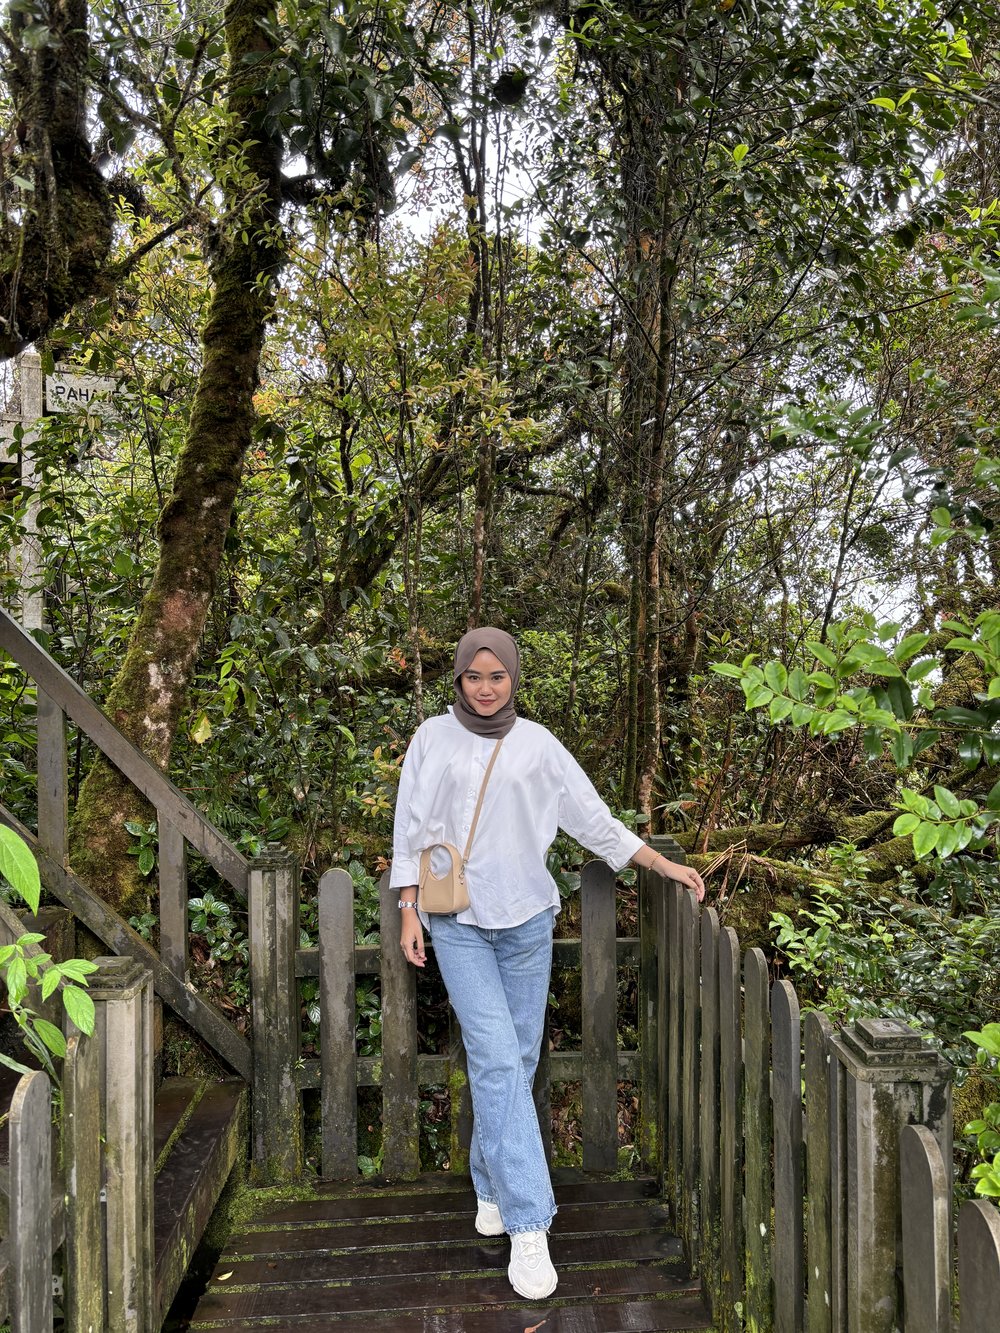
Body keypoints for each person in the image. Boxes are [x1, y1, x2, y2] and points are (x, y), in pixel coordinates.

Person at [391, 627, 705, 1301]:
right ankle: (530, 1225)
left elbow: (594, 820)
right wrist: (408, 907)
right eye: (474, 675)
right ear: (458, 677)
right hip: (458, 922)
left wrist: (660, 863)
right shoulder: (431, 739)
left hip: (529, 922)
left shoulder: (537, 744)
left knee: (515, 1062)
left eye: (497, 675)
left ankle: (488, 1182)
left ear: (514, 677)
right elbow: (410, 825)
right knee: (500, 1061)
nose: (485, 686)